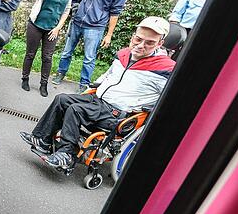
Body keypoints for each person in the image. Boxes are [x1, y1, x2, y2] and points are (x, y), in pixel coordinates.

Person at [22, 17, 175, 172]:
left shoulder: (165, 68)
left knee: (76, 110)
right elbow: (107, 76)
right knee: (62, 99)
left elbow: (171, 98)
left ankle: (66, 155)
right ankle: (42, 139)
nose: (141, 45)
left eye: (149, 42)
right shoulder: (123, 54)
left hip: (117, 113)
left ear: (160, 43)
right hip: (98, 100)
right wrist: (92, 87)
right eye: (138, 39)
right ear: (133, 35)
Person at [52, 0, 130, 93]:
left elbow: (115, 12)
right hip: (77, 22)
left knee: (89, 57)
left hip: (95, 26)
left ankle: (84, 82)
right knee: (66, 52)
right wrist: (75, 12)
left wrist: (109, 35)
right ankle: (60, 73)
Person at [21, 0, 75, 97]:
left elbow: (66, 10)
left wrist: (58, 28)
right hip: (36, 24)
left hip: (52, 28)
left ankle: (44, 84)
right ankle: (25, 78)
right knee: (30, 54)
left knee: (47, 57)